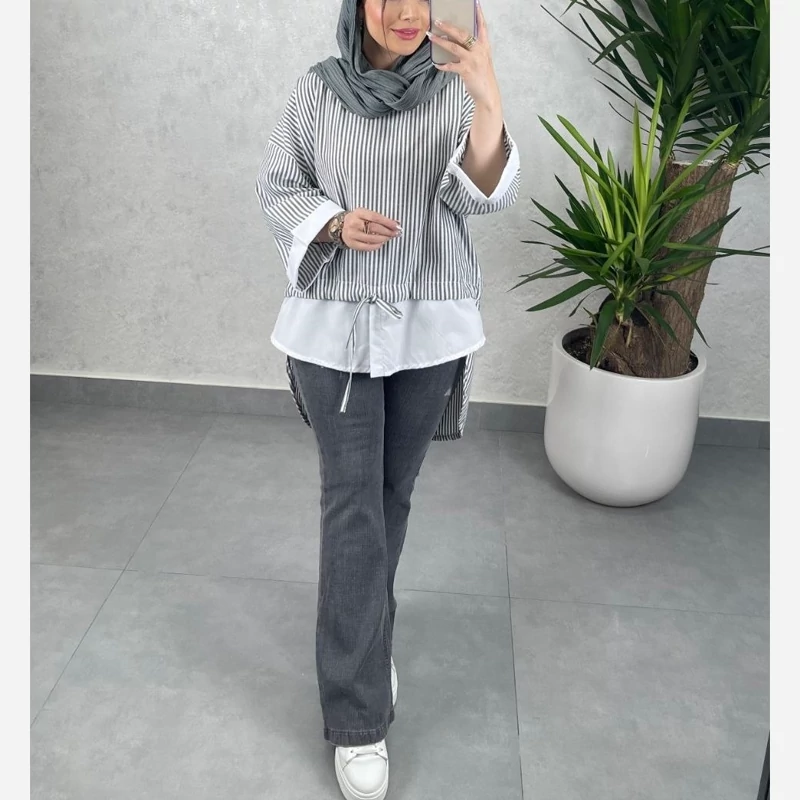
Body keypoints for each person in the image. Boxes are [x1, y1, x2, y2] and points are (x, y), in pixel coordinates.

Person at [255, 1, 520, 797]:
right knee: (353, 506)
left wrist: (488, 96)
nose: (406, 11)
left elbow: (480, 198)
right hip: (332, 329)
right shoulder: (315, 90)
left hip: (427, 328)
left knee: (389, 498)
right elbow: (278, 188)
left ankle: (366, 650)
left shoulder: (452, 88)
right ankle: (357, 715)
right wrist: (334, 225)